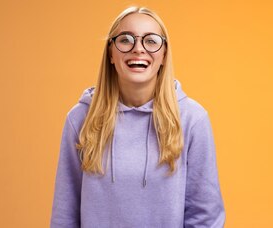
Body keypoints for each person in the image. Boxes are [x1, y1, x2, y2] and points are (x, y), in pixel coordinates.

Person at [51, 6, 225, 228]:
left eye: (151, 41)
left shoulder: (192, 119)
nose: (138, 49)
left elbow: (205, 216)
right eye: (125, 40)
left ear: (163, 55)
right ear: (111, 54)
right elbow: (64, 215)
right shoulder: (80, 119)